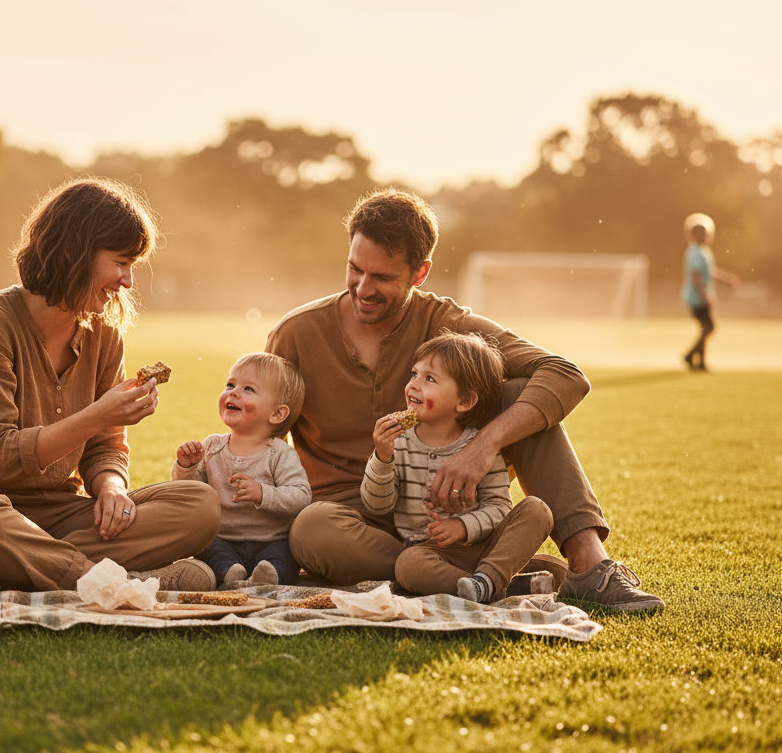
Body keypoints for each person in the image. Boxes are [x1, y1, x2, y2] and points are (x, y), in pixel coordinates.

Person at [267, 188, 664, 611]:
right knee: (311, 529)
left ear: (420, 274)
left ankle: (590, 567)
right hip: (350, 518)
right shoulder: (296, 333)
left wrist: (482, 446)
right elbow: (261, 436)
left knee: (519, 393)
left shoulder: (449, 324)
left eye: (382, 277)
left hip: (450, 510)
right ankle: (487, 577)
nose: (363, 288)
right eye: (354, 269)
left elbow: (565, 375)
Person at [0, 178, 221, 594]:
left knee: (198, 507)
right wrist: (98, 414)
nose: (128, 281)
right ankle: (116, 584)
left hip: (58, 515)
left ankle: (15, 573)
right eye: (120, 262)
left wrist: (111, 488)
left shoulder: (105, 333)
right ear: (74, 251)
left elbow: (106, 448)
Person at [363, 332, 554, 603]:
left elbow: (499, 508)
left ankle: (487, 578)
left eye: (429, 379)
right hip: (430, 552)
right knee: (407, 566)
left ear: (464, 401)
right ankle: (494, 585)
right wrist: (382, 458)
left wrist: (463, 526)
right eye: (414, 374)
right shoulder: (399, 444)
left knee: (537, 509)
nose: (413, 385)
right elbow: (377, 506)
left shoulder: (480, 448)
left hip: (486, 545)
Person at [172, 353, 310, 586]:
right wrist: (187, 467)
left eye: (248, 389)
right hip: (223, 538)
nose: (233, 392)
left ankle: (269, 577)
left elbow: (301, 497)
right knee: (207, 547)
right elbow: (192, 495)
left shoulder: (279, 453)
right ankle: (230, 573)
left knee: (287, 556)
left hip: (272, 540)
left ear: (276, 414)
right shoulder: (212, 447)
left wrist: (263, 493)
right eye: (230, 384)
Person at [680, 213, 739, 371]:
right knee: (709, 327)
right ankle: (690, 354)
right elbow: (696, 274)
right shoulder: (695, 252)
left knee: (705, 328)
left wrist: (726, 278)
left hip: (700, 296)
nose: (703, 236)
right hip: (696, 297)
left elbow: (709, 271)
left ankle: (700, 362)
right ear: (692, 235)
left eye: (705, 233)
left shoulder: (703, 251)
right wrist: (705, 294)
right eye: (700, 233)